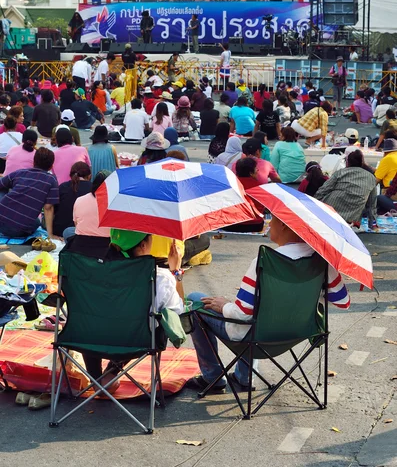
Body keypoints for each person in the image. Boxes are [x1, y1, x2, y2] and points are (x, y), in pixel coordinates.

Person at [187, 213, 350, 393]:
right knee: (253, 308)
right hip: (296, 332)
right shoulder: (322, 260)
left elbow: (242, 314)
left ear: (285, 226)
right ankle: (244, 377)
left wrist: (224, 305)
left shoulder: (263, 262)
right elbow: (342, 301)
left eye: (272, 220)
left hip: (256, 338)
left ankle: (212, 377)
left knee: (195, 299)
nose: (269, 224)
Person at [79, 229, 184, 387]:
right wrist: (176, 271)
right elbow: (179, 312)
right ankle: (112, 371)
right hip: (136, 341)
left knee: (91, 318)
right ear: (143, 245)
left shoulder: (87, 271)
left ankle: (95, 377)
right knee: (150, 321)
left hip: (89, 338)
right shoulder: (160, 278)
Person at [0, 147, 59, 239]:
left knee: (2, 187)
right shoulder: (51, 180)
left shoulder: (21, 173)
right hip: (18, 230)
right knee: (37, 222)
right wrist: (50, 234)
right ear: (51, 166)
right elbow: (48, 208)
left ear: (33, 162)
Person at [316, 149, 377, 228]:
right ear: (362, 163)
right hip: (351, 219)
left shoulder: (340, 173)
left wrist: (313, 206)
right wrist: (372, 225)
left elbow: (323, 190)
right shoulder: (371, 177)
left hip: (330, 213)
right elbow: (372, 204)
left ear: (347, 162)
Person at [64, 171, 112, 240]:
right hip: (106, 244)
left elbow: (77, 225)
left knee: (67, 232)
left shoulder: (79, 200)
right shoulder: (115, 204)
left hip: (82, 242)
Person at [53, 162, 92, 238]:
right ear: (89, 176)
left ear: (70, 175)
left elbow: (53, 209)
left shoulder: (62, 187)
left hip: (59, 230)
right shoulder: (94, 188)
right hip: (84, 232)